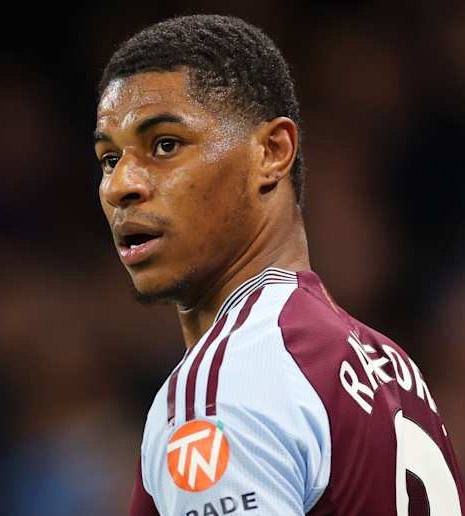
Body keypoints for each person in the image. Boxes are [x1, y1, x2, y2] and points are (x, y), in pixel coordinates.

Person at [92, 14, 464, 515]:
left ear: (272, 151)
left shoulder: (226, 386)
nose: (120, 186)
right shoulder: (389, 367)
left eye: (165, 145)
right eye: (109, 159)